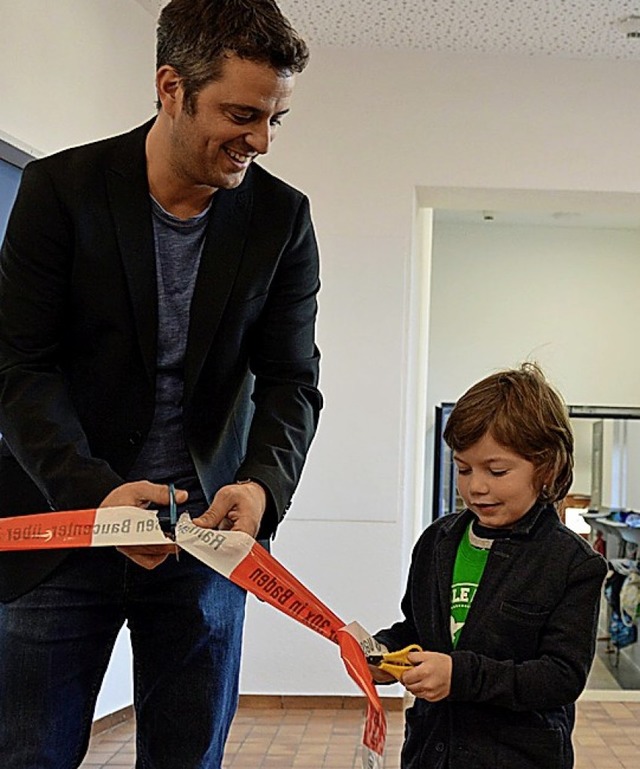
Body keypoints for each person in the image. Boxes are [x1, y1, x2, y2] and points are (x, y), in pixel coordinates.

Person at [0, 1, 321, 767]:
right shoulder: (57, 191)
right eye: (242, 114)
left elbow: (290, 382)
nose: (261, 140)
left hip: (205, 538)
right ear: (171, 87)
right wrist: (94, 495)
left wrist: (261, 488)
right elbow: (18, 368)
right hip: (61, 527)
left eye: (276, 119)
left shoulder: (282, 219)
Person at [369, 363, 607, 769]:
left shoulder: (573, 563)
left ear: (546, 467)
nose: (476, 486)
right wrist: (383, 653)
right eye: (463, 468)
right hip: (432, 752)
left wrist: (459, 676)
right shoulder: (438, 542)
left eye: (497, 471)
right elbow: (417, 630)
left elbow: (561, 676)